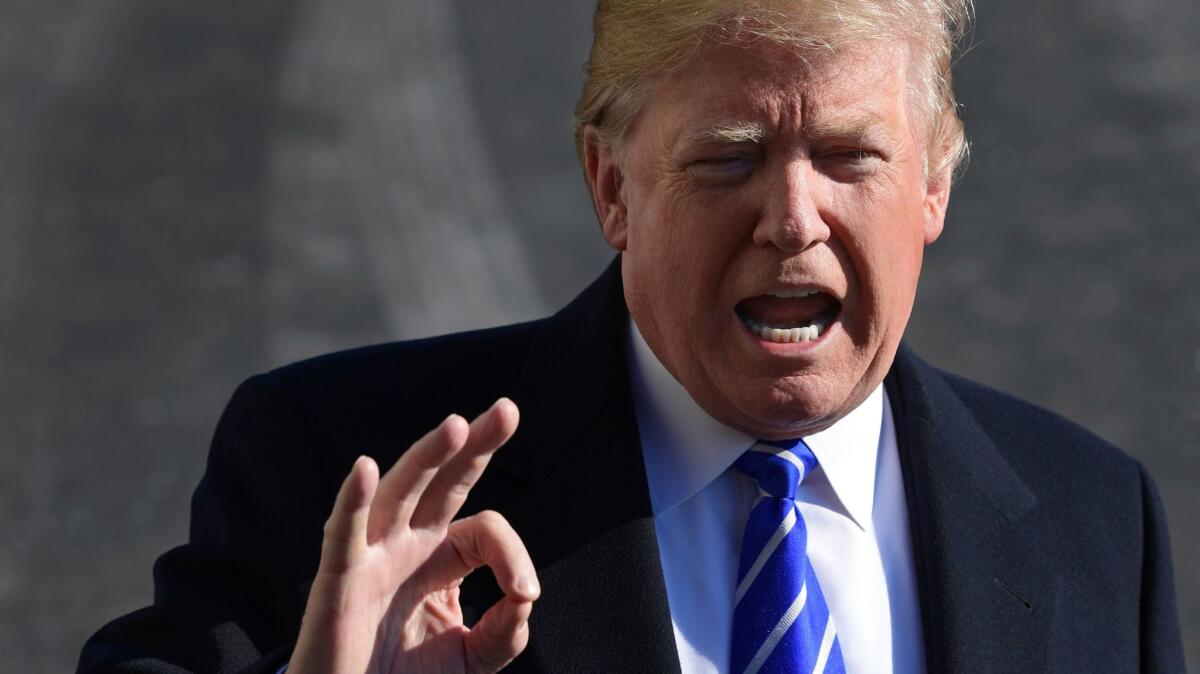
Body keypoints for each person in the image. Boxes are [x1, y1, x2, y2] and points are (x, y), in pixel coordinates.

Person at [80, 0, 1186, 672]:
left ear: (934, 186)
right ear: (611, 184)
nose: (793, 217)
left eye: (851, 156)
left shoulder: (1093, 522)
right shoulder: (344, 472)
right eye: (729, 155)